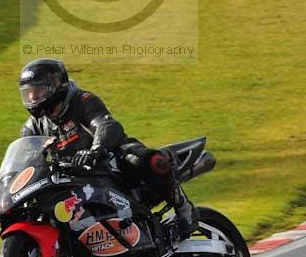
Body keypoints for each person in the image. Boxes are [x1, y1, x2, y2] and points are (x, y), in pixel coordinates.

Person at [19, 57, 198, 238]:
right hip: (72, 175)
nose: (33, 98)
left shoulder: (82, 100)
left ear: (56, 86)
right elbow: (26, 155)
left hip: (108, 155)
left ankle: (184, 208)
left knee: (147, 161)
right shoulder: (34, 126)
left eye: (38, 91)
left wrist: (97, 149)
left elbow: (107, 126)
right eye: (29, 93)